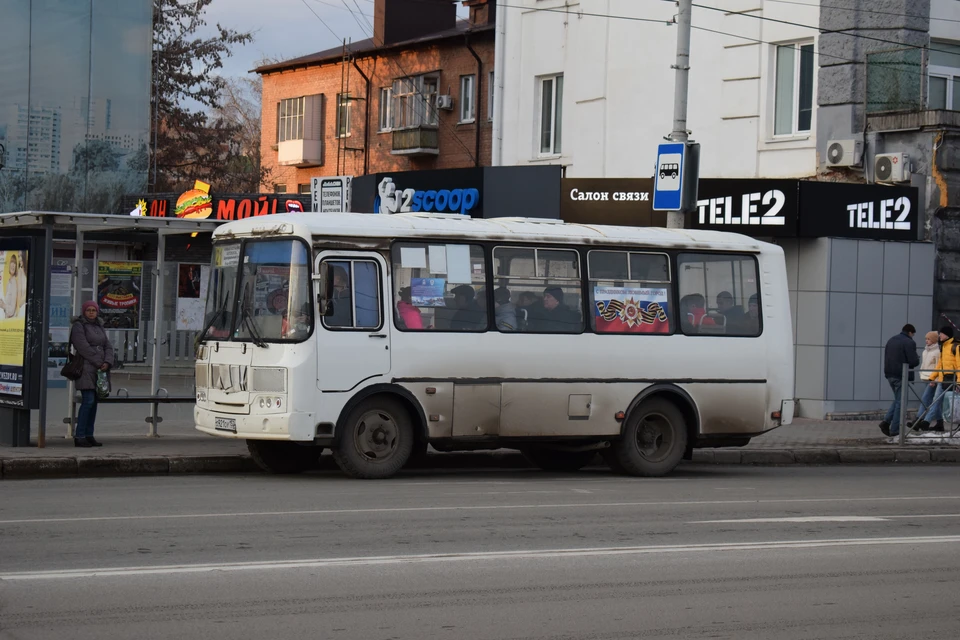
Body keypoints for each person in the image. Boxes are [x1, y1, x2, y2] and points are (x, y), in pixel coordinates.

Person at [69, 301, 114, 448]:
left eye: (94, 310)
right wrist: (98, 361)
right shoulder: (78, 326)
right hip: (86, 367)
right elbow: (82, 346)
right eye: (88, 310)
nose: (91, 312)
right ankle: (79, 435)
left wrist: (107, 362)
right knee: (88, 401)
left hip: (100, 369)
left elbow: (108, 345)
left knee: (94, 403)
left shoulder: (99, 326)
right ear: (84, 311)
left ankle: (89, 435)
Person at [880, 323, 921, 437]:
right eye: (913, 334)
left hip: (889, 374)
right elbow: (913, 361)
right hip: (900, 375)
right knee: (901, 402)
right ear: (910, 333)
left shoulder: (891, 340)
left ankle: (886, 422)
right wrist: (917, 358)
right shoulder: (909, 342)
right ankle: (895, 429)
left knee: (898, 400)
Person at [914, 325, 957, 432]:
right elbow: (940, 365)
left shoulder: (955, 346)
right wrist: (932, 377)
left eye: (941, 334)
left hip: (952, 380)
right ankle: (925, 422)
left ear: (946, 335)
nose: (939, 336)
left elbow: (959, 365)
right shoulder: (943, 347)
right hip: (942, 379)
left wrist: (959, 381)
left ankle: (926, 422)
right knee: (936, 401)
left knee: (953, 404)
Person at [0, 252, 25, 319]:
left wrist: (3, 305)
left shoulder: (13, 282)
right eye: (12, 262)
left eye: (15, 263)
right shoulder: (9, 282)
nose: (13, 265)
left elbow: (11, 310)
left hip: (11, 324)